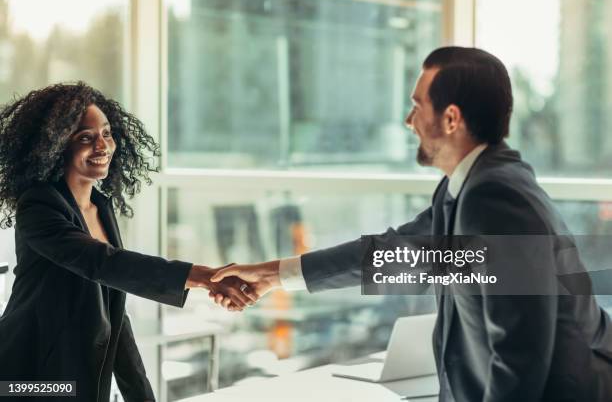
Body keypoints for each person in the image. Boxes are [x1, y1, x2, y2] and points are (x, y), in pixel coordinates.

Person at [211, 47, 612, 401]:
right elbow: (392, 254)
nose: (408, 120)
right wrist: (271, 275)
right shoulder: (466, 187)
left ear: (451, 119)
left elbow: (520, 354)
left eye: (418, 106)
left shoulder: (497, 200)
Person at [0, 83, 257, 402]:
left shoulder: (100, 208)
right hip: (26, 378)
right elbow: (102, 262)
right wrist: (203, 276)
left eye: (106, 133)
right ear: (54, 146)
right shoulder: (38, 206)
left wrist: (142, 395)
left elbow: (115, 313)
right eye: (85, 137)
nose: (102, 146)